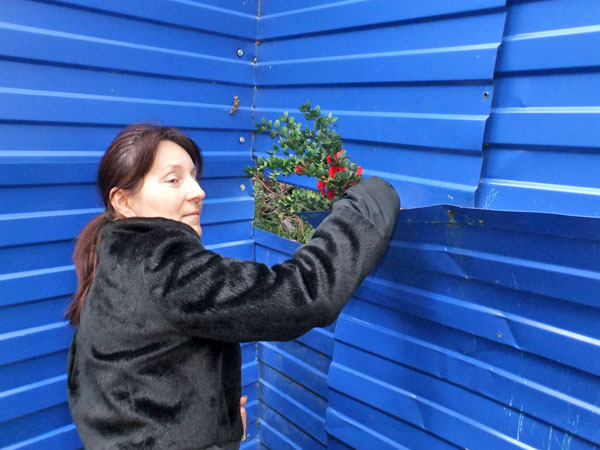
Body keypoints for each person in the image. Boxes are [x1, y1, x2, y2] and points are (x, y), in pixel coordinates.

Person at [65, 122, 400, 450]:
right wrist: (368, 206)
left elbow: (119, 390)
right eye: (173, 180)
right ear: (123, 201)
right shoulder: (161, 264)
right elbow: (304, 294)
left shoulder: (113, 262)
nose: (198, 192)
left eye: (194, 176)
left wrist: (215, 429)